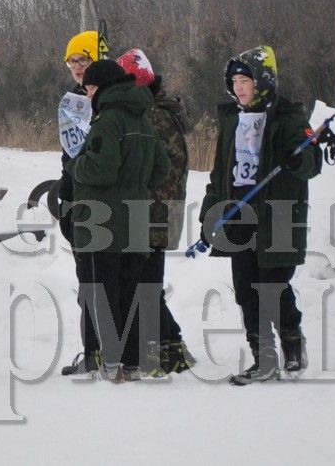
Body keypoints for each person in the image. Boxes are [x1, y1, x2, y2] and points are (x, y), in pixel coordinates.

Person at [198, 45, 321, 384]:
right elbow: (218, 173)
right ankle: (263, 358)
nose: (239, 87)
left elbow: (312, 162)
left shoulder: (289, 117)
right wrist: (211, 211)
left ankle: (292, 342)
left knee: (273, 286)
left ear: (262, 80)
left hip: (277, 215)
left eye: (245, 80)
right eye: (235, 80)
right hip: (239, 215)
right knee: (246, 290)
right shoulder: (231, 120)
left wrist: (300, 160)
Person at [64, 58, 170, 382]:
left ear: (104, 87)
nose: (88, 94)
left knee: (105, 292)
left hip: (104, 221)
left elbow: (102, 168)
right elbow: (161, 169)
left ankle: (110, 363)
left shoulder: (107, 120)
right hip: (136, 219)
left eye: (91, 88)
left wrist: (75, 165)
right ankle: (133, 362)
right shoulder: (144, 119)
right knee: (131, 291)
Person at [116, 48, 195, 376]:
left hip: (154, 211)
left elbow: (153, 166)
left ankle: (169, 348)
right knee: (146, 284)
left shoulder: (155, 116)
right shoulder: (159, 111)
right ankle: (170, 349)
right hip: (158, 210)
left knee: (144, 285)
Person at [56, 30, 97, 376]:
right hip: (77, 196)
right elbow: (68, 153)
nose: (78, 67)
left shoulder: (106, 100)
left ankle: (106, 350)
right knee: (86, 281)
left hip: (104, 202)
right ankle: (92, 349)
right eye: (73, 61)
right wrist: (64, 194)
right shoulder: (71, 101)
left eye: (83, 59)